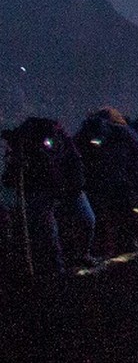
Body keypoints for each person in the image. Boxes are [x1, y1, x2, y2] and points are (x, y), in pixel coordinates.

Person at [4, 117, 92, 275]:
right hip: (41, 190)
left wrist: (74, 187)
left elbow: (75, 162)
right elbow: (10, 177)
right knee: (49, 231)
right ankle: (57, 270)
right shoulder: (25, 146)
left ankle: (79, 256)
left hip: (65, 187)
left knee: (86, 219)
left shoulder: (61, 141)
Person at [74, 109, 138, 257]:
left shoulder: (88, 131)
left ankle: (104, 250)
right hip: (120, 179)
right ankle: (128, 244)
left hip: (97, 181)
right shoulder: (122, 131)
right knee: (124, 213)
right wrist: (133, 173)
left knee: (102, 217)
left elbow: (78, 152)